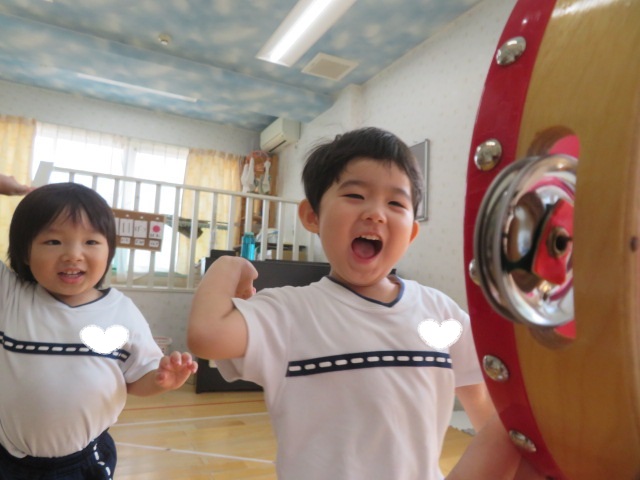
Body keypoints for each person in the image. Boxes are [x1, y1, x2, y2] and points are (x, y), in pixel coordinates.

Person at [188, 127, 544, 479]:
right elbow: (207, 334)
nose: (376, 213)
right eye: (355, 195)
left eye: (395, 203)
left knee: (515, 428)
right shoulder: (290, 312)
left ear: (411, 232)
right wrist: (227, 265)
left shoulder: (440, 312)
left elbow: (480, 403)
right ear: (312, 216)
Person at [0, 177, 198, 480]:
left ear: (109, 252)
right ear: (25, 252)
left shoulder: (121, 312)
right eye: (53, 242)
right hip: (9, 458)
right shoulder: (11, 295)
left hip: (81, 463)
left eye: (91, 242)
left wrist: (161, 381)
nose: (73, 254)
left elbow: (137, 378)